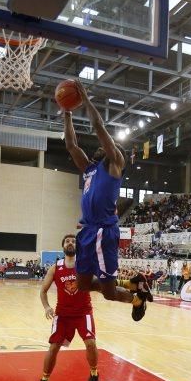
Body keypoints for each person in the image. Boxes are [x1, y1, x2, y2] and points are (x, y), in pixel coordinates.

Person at [63, 79, 151, 320]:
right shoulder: (90, 169)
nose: (99, 149)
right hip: (88, 231)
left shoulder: (114, 165)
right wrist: (67, 113)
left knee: (109, 293)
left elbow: (98, 126)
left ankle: (137, 298)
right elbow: (71, 145)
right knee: (82, 285)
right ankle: (134, 285)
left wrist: (85, 100)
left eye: (108, 147)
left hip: (104, 232)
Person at [34, 234, 101, 381]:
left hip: (83, 311)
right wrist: (47, 307)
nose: (70, 243)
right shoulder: (55, 268)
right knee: (54, 347)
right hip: (62, 314)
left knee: (91, 343)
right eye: (67, 241)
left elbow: (97, 284)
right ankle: (44, 380)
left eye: (73, 241)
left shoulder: (85, 265)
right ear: (63, 246)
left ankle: (94, 375)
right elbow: (42, 291)